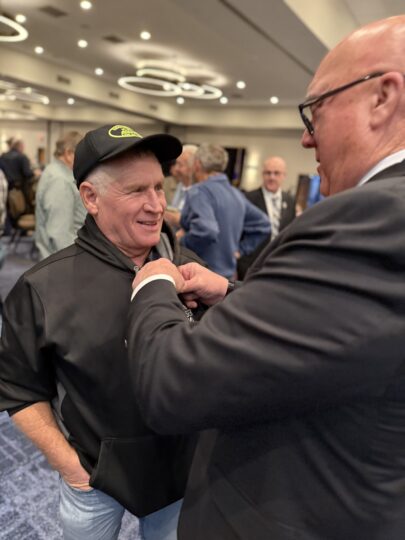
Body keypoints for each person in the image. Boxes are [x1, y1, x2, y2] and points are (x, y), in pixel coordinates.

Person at [125, 15, 405, 540]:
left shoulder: (373, 216)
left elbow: (170, 385)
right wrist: (234, 292)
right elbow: (339, 328)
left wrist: (153, 283)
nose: (306, 136)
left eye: (315, 111)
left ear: (382, 98)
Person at [0, 124, 205, 540]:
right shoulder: (43, 288)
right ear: (91, 198)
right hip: (93, 482)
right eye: (136, 191)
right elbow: (19, 390)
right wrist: (70, 468)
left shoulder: (192, 271)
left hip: (180, 473)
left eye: (159, 187)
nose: (156, 205)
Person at [178, 143, 270, 278]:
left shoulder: (199, 191)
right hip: (227, 279)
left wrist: (181, 241)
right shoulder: (236, 194)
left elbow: (207, 230)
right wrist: (239, 250)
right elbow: (264, 224)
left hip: (200, 276)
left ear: (197, 164)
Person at [237, 156, 296, 278]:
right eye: (268, 173)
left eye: (276, 173)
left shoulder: (290, 201)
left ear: (284, 175)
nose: (271, 177)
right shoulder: (247, 198)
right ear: (262, 174)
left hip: (277, 265)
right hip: (249, 265)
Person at [35, 131, 87, 259]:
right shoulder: (60, 180)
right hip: (62, 260)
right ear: (68, 153)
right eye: (83, 155)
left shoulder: (56, 172)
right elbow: (60, 235)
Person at [164, 144, 198, 230]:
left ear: (193, 167)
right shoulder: (174, 185)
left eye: (180, 165)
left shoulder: (202, 193)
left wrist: (178, 220)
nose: (176, 169)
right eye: (176, 164)